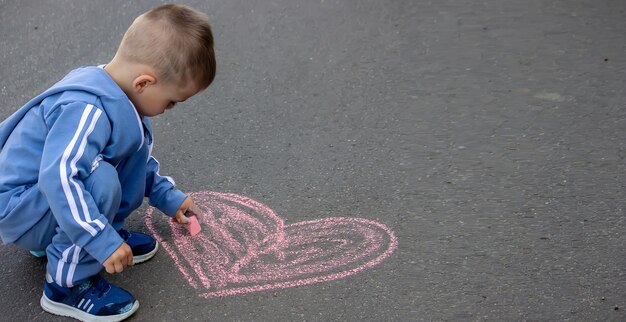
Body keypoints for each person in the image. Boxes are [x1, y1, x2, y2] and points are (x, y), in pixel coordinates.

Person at [0, 4, 216, 321]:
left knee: (119, 153)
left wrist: (168, 197)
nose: (171, 108)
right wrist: (99, 240)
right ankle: (66, 284)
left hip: (41, 201)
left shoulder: (114, 92)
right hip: (21, 210)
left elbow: (135, 156)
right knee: (99, 180)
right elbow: (59, 178)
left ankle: (88, 232)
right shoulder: (87, 110)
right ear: (144, 82)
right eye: (172, 101)